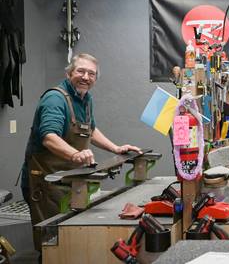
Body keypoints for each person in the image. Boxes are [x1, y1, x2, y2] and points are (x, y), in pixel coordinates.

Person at [20, 53, 141, 253]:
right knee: (52, 241)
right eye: (81, 71)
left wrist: (116, 148)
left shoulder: (85, 98)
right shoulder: (55, 99)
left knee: (69, 237)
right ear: (69, 73)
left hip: (69, 179)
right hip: (46, 182)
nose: (86, 77)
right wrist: (75, 155)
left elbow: (90, 129)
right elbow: (49, 137)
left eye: (91, 74)